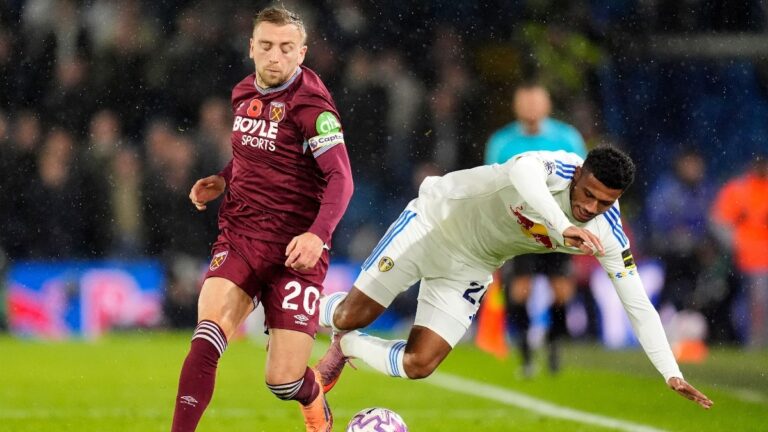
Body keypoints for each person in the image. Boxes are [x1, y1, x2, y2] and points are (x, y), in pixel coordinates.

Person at [316, 147, 713, 410]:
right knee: (350, 314)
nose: (591, 207)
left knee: (419, 363)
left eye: (604, 202)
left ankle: (347, 346)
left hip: (471, 265)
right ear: (579, 174)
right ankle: (294, 302)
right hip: (433, 223)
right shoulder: (555, 167)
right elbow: (522, 173)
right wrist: (560, 224)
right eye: (588, 193)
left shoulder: (608, 233)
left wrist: (671, 372)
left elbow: (637, 302)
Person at [171, 7, 354, 432]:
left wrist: (317, 235)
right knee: (208, 333)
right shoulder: (243, 94)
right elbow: (254, 155)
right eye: (267, 45)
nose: (275, 56)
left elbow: (341, 179)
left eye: (286, 48)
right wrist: (223, 178)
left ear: (302, 53)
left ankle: (313, 394)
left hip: (296, 251)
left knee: (283, 381)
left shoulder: (311, 106)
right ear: (251, 47)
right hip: (241, 236)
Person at [484, 82, 588, 376]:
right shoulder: (502, 142)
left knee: (562, 291)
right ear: (516, 106)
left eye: (536, 101)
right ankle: (526, 353)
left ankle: (554, 345)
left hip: (558, 226)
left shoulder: (567, 138)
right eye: (525, 102)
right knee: (519, 291)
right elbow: (491, 185)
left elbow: (583, 181)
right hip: (520, 228)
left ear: (547, 105)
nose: (530, 107)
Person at [710, 153, 768, 348]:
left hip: (758, 258)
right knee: (752, 301)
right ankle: (754, 343)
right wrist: (736, 244)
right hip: (744, 258)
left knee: (755, 301)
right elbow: (719, 221)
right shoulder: (739, 190)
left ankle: (755, 342)